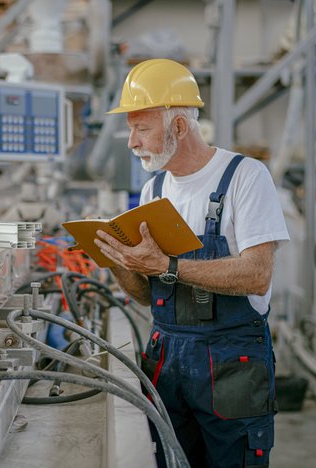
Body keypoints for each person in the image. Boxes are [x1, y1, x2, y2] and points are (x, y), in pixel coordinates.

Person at [94, 58, 289, 468]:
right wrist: (116, 259)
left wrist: (167, 265)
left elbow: (257, 274)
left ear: (179, 128)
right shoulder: (154, 189)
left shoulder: (244, 177)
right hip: (167, 357)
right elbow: (149, 296)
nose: (131, 142)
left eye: (141, 128)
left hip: (232, 365)